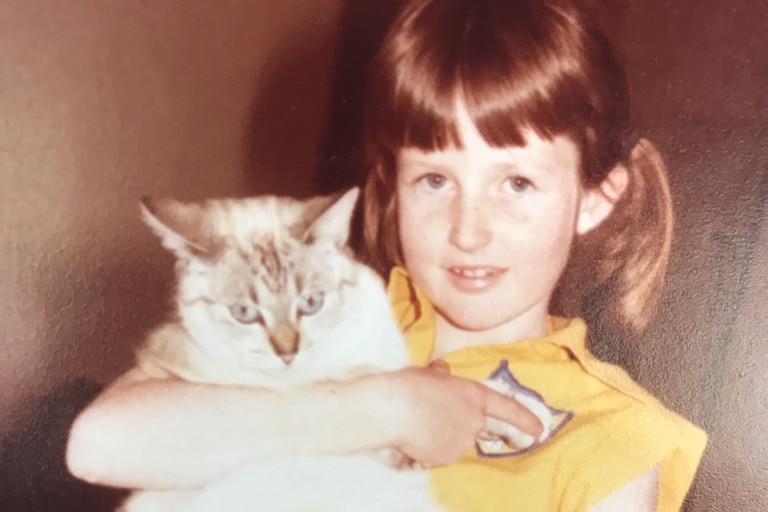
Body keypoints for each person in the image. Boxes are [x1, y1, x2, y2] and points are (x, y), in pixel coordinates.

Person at [67, 0, 707, 511]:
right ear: (393, 188)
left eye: (516, 184)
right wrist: (391, 409)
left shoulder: (614, 437)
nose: (467, 230)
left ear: (594, 199)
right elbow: (100, 444)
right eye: (435, 180)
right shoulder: (325, 318)